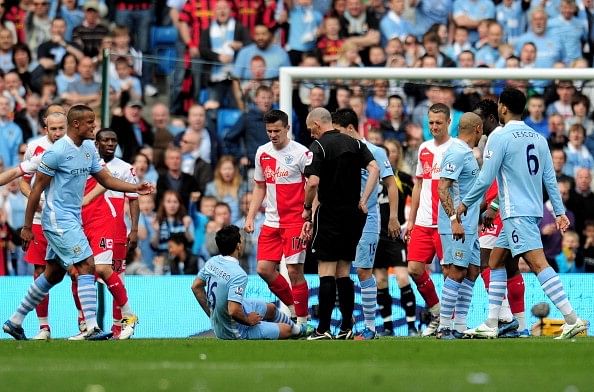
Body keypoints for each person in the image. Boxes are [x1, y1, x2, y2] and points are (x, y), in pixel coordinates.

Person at [3, 105, 153, 341]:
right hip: (57, 219)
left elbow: (106, 179)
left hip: (71, 218)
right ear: (76, 125)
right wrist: (27, 227)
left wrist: (136, 187)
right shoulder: (57, 152)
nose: (94, 126)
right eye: (90, 122)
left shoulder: (87, 150)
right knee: (87, 265)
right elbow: (35, 190)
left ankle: (15, 321)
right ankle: (91, 326)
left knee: (53, 274)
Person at [459, 88, 588, 339]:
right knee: (495, 261)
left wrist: (465, 204)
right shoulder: (538, 137)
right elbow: (549, 178)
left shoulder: (500, 136)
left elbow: (486, 178)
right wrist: (559, 212)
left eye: (499, 104)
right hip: (528, 210)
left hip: (516, 212)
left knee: (538, 264)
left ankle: (572, 318)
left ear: (503, 107)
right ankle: (491, 323)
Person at [301, 107, 379, 340]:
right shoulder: (354, 143)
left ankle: (323, 328)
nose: (310, 134)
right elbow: (374, 168)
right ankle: (346, 327)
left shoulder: (320, 146)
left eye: (310, 129)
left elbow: (313, 182)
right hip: (353, 215)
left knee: (326, 271)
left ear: (316, 124)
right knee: (343, 272)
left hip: (330, 213)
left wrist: (306, 208)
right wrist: (363, 199)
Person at [331, 108, 400, 340]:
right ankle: (346, 323)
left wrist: (393, 217)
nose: (337, 136)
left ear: (350, 129)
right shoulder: (340, 151)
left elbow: (391, 185)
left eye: (339, 131)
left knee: (362, 270)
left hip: (368, 218)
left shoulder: (375, 152)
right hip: (342, 219)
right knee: (340, 271)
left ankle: (370, 327)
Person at [244, 110, 312, 330]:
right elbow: (260, 186)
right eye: (269, 131)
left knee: (294, 271)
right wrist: (251, 215)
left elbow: (313, 185)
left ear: (287, 128)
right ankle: (293, 307)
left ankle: (303, 321)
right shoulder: (262, 153)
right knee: (264, 269)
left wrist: (308, 214)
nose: (272, 135)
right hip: (272, 221)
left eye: (276, 131)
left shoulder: (302, 153)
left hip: (295, 222)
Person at [191, 225, 305, 340]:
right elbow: (233, 310)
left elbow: (196, 287)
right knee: (287, 330)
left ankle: (299, 329)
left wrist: (213, 315)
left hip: (223, 319)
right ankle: (299, 331)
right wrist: (248, 320)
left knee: (271, 308)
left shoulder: (212, 262)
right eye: (242, 239)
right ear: (238, 246)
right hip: (234, 330)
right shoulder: (238, 274)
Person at [473, 99, 527, 337]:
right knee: (511, 266)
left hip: (498, 211)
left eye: (479, 119)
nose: (477, 124)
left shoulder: (498, 138)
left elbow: (498, 180)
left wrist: (488, 206)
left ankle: (504, 318)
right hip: (513, 209)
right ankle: (521, 325)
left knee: (488, 262)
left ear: (492, 118)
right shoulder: (507, 137)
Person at [79, 128, 140, 339]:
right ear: (97, 143)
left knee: (114, 276)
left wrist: (134, 228)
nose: (110, 144)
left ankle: (119, 327)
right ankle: (86, 325)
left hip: (113, 228)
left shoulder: (124, 168)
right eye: (105, 140)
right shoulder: (87, 165)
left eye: (113, 140)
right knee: (82, 275)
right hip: (87, 224)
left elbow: (133, 199)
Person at [405, 103, 454, 337]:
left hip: (446, 222)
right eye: (431, 122)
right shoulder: (424, 148)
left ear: (449, 122)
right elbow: (419, 184)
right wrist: (411, 220)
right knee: (414, 269)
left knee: (450, 273)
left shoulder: (457, 149)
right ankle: (436, 311)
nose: (434, 127)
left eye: (438, 122)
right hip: (423, 222)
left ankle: (450, 323)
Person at [18, 109, 66, 340]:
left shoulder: (77, 147)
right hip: (40, 219)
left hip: (68, 217)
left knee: (79, 271)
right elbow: (23, 182)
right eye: (53, 129)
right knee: (40, 270)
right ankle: (43, 327)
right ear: (45, 128)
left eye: (61, 128)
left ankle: (86, 324)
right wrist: (33, 200)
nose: (57, 133)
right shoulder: (35, 147)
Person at [435, 112, 483, 339]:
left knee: (472, 271)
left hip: (470, 224)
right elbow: (442, 188)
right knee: (456, 272)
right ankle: (444, 326)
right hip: (457, 224)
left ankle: (460, 325)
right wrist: (454, 220)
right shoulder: (456, 152)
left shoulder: (465, 152)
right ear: (478, 129)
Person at [374, 139, 417, 336]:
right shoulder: (368, 179)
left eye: (391, 152)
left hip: (394, 236)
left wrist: (410, 222)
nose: (388, 156)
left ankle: (411, 326)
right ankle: (388, 327)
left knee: (402, 277)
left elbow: (418, 194)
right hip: (375, 236)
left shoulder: (402, 178)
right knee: (381, 281)